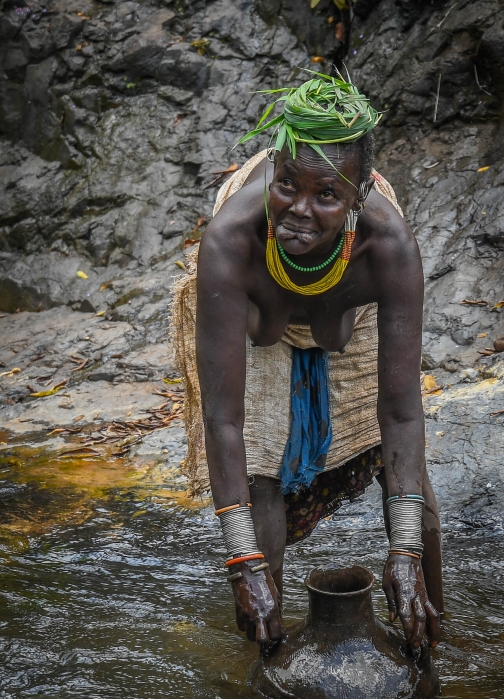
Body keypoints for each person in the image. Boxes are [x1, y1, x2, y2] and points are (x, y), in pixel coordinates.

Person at [171, 74, 443, 652]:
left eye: (326, 196)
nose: (297, 210)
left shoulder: (387, 248)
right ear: (273, 173)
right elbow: (225, 421)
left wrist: (406, 554)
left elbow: (399, 414)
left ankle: (431, 640)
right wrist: (243, 564)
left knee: (418, 511)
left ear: (358, 199)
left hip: (348, 316)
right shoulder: (231, 240)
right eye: (287, 185)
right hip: (256, 322)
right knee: (261, 482)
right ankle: (265, 657)